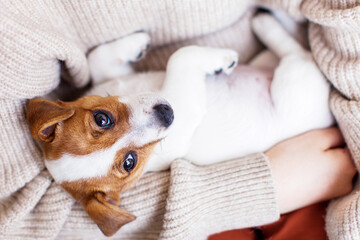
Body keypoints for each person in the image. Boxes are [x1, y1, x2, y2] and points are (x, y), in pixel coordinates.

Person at [0, 1, 358, 240]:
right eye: (129, 160)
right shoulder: (125, 162)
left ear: (54, 114)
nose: (146, 130)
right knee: (296, 74)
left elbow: (115, 84)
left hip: (281, 73)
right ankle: (288, 49)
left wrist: (104, 65)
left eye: (103, 121)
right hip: (290, 111)